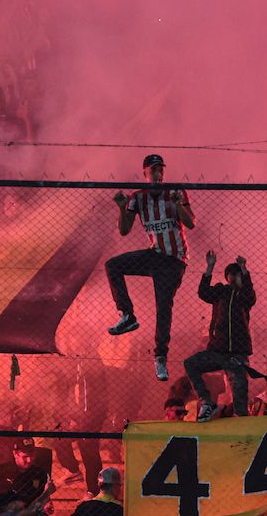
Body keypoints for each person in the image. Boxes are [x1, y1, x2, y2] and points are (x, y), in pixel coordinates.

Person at [106, 153, 195, 382]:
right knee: (113, 265)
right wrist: (122, 207)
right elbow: (124, 230)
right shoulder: (139, 197)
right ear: (145, 172)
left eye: (160, 170)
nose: (158, 174)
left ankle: (160, 358)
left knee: (163, 307)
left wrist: (177, 205)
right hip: (155, 255)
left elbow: (190, 223)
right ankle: (127, 315)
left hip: (174, 260)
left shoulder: (174, 192)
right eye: (153, 170)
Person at [185, 251, 256, 422]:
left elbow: (250, 297)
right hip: (218, 351)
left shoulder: (244, 295)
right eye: (230, 275)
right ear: (226, 278)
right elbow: (203, 292)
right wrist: (209, 267)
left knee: (240, 402)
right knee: (191, 363)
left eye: (236, 275)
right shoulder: (220, 292)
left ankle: (242, 431)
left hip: (237, 355)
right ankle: (206, 401)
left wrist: (245, 271)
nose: (233, 278)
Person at [0, 438, 43, 516]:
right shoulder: (1, 471)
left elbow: (41, 499)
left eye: (32, 455)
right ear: (15, 454)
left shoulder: (38, 473)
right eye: (25, 456)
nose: (29, 460)